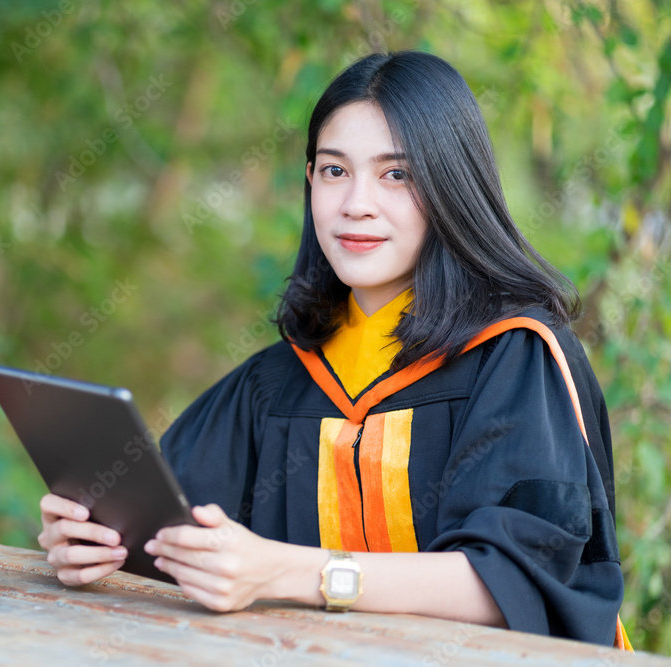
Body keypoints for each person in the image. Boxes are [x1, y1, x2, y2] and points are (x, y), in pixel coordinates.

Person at [37, 51, 631, 649]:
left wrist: (298, 573)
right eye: (334, 171)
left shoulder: (513, 358)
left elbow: (512, 582)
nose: (356, 204)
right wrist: (100, 540)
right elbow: (177, 531)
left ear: (453, 186)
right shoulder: (280, 382)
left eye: (396, 175)